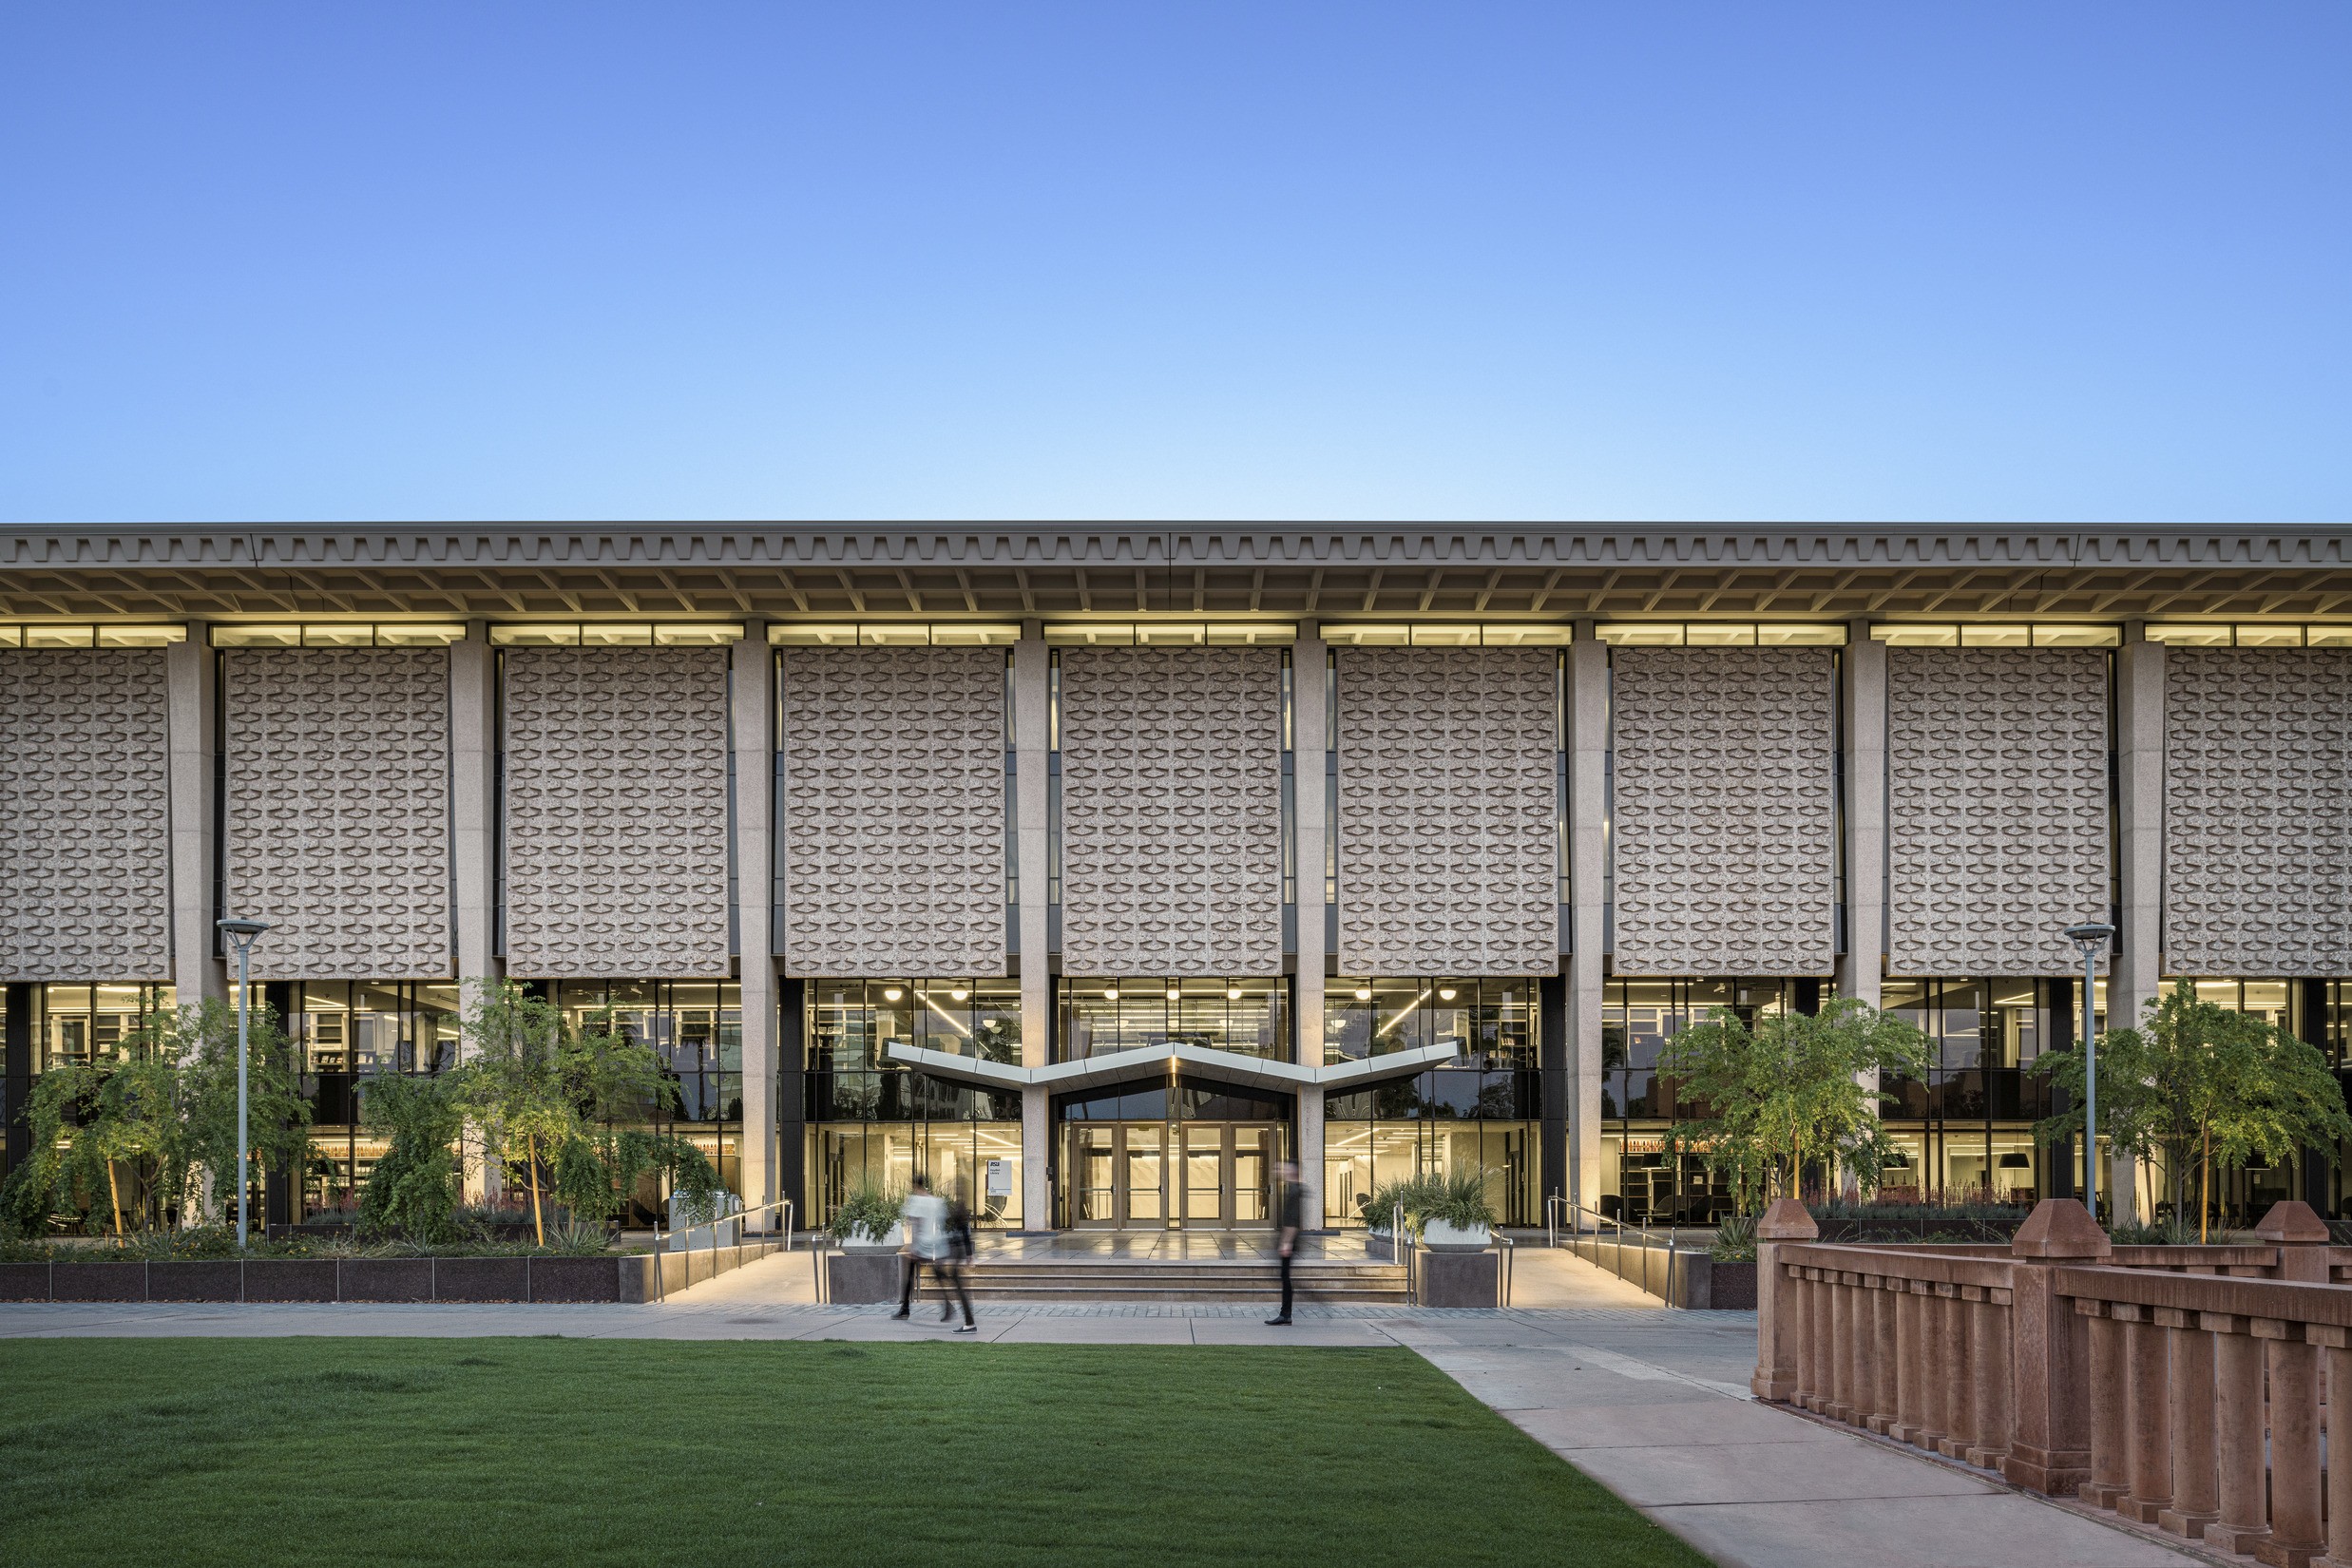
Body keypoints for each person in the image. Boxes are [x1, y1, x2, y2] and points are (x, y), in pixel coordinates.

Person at [892, 1175, 953, 1324]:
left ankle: (905, 1309)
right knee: (938, 1275)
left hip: (923, 1243)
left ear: (914, 1185)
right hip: (937, 1242)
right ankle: (947, 1305)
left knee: (909, 1275)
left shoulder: (916, 1200)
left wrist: (914, 1247)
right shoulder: (936, 1201)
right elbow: (942, 1222)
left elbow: (917, 1223)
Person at [935, 1179, 978, 1331]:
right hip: (957, 1249)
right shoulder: (959, 1204)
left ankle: (968, 1322)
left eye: (957, 1185)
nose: (955, 1187)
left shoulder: (960, 1206)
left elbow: (964, 1232)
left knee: (958, 1286)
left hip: (957, 1249)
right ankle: (953, 1310)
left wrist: (969, 1254)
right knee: (948, 1277)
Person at [1266, 1158, 1301, 1327]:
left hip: (1289, 1242)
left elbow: (1293, 1220)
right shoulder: (1293, 1189)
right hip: (1288, 1241)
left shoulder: (1295, 1190)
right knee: (1284, 1276)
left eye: (1285, 1169)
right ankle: (1285, 1313)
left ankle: (1286, 1314)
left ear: (1293, 1171)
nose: (1282, 1171)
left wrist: (1287, 1242)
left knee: (1285, 1276)